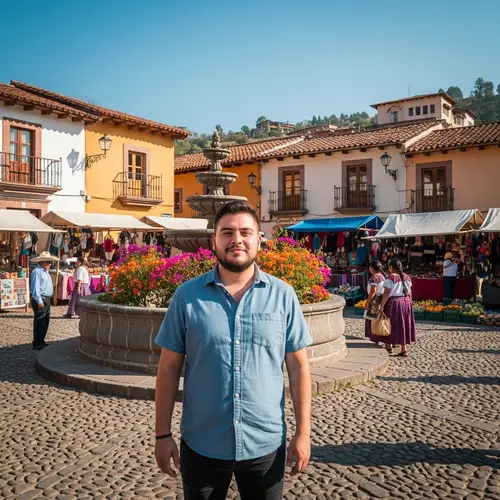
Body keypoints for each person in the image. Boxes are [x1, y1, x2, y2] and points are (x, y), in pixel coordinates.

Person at [154, 201, 312, 500]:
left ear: (258, 241)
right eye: (227, 232)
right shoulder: (187, 296)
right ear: (214, 240)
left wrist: (303, 433)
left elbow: (298, 365)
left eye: (245, 232)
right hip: (202, 442)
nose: (236, 239)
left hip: (265, 443)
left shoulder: (283, 295)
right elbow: (169, 368)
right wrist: (162, 434)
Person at [379, 259, 416, 357]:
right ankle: (404, 349)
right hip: (406, 302)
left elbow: (386, 293)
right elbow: (409, 293)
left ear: (391, 267)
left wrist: (382, 305)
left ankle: (388, 346)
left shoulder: (390, 278)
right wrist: (410, 303)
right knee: (403, 325)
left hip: (394, 303)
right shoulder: (407, 277)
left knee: (391, 324)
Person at [30, 251, 59, 350]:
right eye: (47, 262)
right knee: (40, 320)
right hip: (41, 298)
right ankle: (37, 342)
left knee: (45, 320)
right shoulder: (36, 272)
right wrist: (39, 301)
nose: (49, 264)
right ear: (41, 262)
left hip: (46, 298)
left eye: (50, 262)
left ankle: (41, 340)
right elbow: (35, 288)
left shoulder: (45, 272)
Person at [364, 260, 386, 341]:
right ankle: (377, 337)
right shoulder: (382, 276)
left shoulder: (374, 277)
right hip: (380, 299)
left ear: (372, 268)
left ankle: (373, 338)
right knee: (377, 320)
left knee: (372, 320)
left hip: (374, 301)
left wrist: (367, 302)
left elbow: (373, 292)